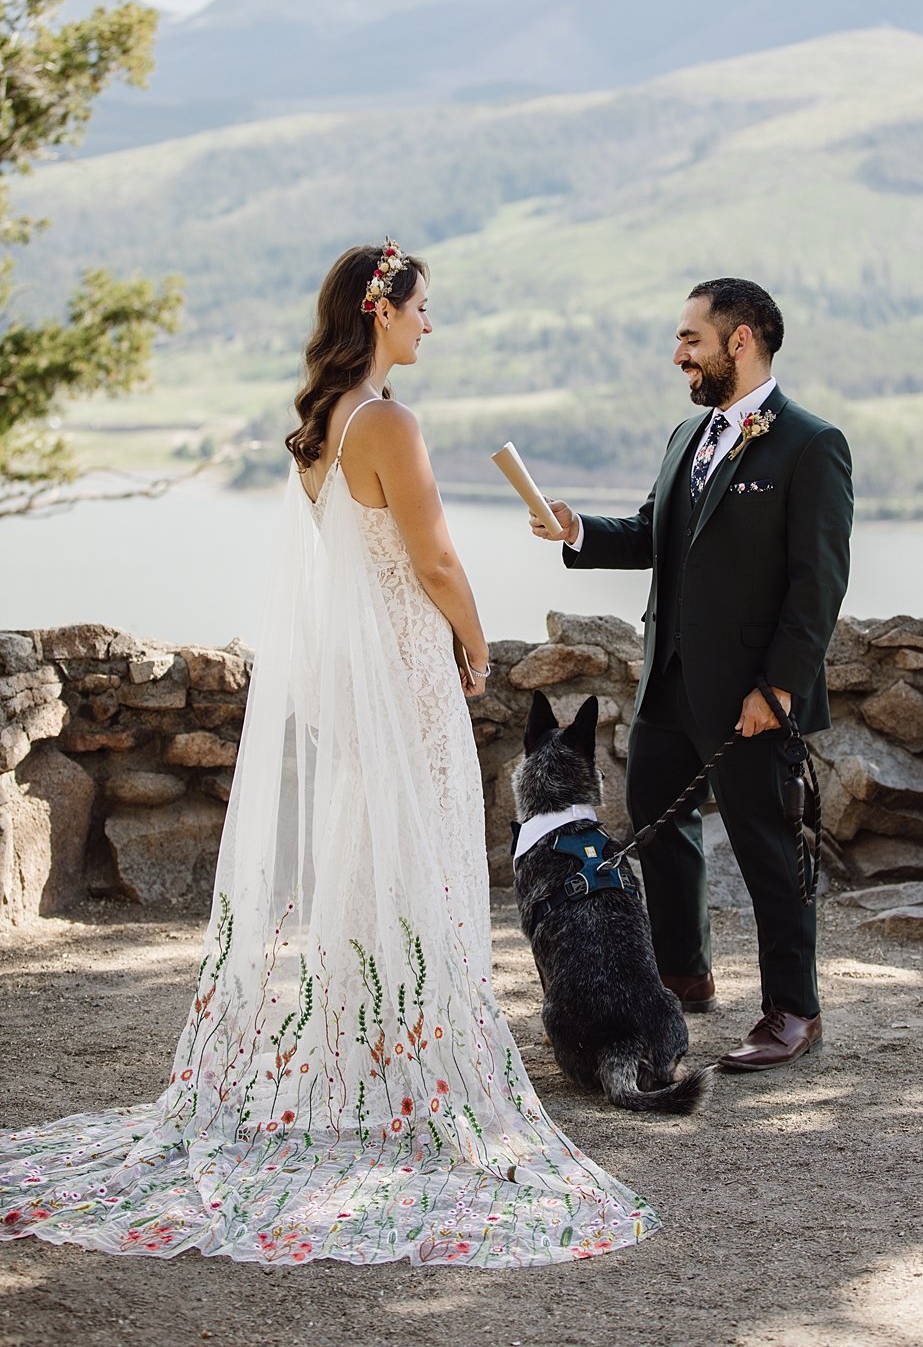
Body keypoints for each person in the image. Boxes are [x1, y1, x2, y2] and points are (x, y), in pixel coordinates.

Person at [0, 242, 658, 1267]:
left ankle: (368, 1054)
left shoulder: (319, 427)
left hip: (357, 679)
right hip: (401, 670)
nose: (430, 323)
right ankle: (412, 1066)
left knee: (369, 850)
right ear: (380, 308)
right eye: (422, 307)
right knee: (420, 853)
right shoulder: (387, 420)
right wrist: (475, 640)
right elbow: (432, 554)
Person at [530, 278, 852, 1072]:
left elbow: (818, 582)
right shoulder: (687, 435)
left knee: (766, 849)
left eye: (690, 339)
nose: (678, 354)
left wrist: (776, 688)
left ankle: (792, 1011)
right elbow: (652, 532)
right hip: (667, 687)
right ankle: (681, 973)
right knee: (657, 823)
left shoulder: (810, 445)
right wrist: (577, 529)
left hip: (749, 695)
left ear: (739, 341)